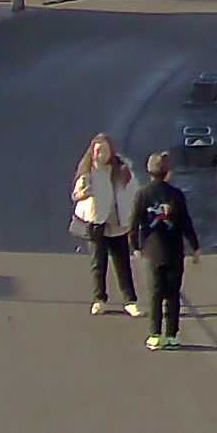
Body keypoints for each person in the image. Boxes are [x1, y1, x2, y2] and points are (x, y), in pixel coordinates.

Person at [129, 149, 208, 349]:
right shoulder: (176, 195)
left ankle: (155, 334)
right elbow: (185, 223)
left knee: (155, 293)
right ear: (168, 172)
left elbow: (134, 223)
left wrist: (135, 246)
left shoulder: (143, 194)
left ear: (149, 171)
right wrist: (195, 247)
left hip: (152, 250)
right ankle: (172, 334)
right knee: (173, 294)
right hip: (174, 251)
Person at [71, 133, 139, 318]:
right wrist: (81, 194)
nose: (100, 154)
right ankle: (99, 299)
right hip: (96, 223)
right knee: (98, 264)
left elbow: (134, 191)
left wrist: (134, 215)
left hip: (117, 223)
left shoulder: (122, 169)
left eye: (104, 150)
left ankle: (130, 301)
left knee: (122, 263)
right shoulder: (88, 171)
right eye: (97, 151)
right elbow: (76, 194)